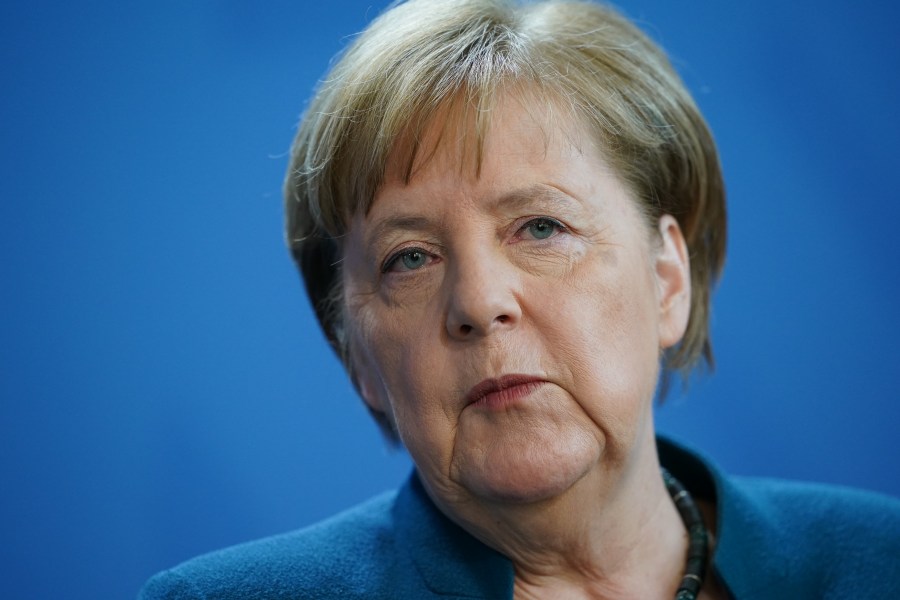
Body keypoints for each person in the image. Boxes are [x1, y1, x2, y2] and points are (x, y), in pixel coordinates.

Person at [139, 0, 900, 598]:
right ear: (357, 357)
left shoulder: (881, 560)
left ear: (668, 279)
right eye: (410, 259)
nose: (479, 300)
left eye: (541, 226)